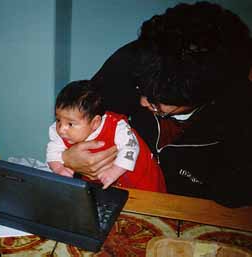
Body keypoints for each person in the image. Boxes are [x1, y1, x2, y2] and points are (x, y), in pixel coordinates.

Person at [61, 2, 252, 207]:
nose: (142, 101)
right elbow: (79, 118)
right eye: (140, 89)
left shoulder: (239, 113)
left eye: (156, 100)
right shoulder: (134, 59)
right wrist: (69, 158)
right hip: (111, 195)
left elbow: (234, 203)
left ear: (202, 96)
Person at [46, 80, 166, 192]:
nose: (61, 129)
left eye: (70, 124)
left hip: (143, 180)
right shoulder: (59, 130)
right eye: (58, 119)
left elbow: (131, 148)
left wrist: (114, 172)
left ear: (95, 123)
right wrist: (58, 169)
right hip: (105, 185)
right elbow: (53, 153)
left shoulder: (117, 126)